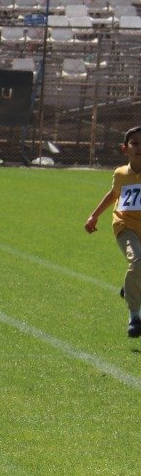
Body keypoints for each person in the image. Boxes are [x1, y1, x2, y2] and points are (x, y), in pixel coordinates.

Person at [85, 126, 141, 336]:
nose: (139, 147)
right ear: (125, 148)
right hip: (125, 226)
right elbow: (113, 194)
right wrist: (94, 215)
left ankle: (130, 288)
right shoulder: (120, 174)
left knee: (139, 268)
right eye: (134, 143)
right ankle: (134, 317)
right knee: (137, 261)